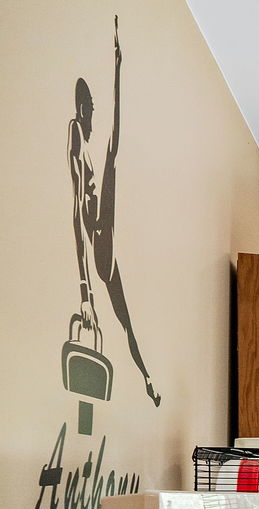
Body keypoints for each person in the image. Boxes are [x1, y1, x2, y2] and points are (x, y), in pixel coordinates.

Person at [69, 18, 159, 407]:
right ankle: (147, 376)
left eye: (92, 107)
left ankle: (147, 377)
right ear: (80, 109)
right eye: (87, 107)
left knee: (126, 322)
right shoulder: (77, 139)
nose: (91, 112)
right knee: (124, 320)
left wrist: (118, 66)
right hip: (99, 237)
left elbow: (115, 130)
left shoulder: (94, 149)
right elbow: (78, 217)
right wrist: (85, 292)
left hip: (106, 235)